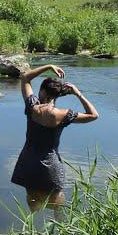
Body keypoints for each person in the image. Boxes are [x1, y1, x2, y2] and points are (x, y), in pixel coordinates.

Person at [11, 64, 99, 213]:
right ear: (57, 95)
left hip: (28, 161)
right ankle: (59, 226)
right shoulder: (64, 114)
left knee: (32, 196)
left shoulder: (32, 106)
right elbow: (93, 115)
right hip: (50, 164)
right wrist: (78, 93)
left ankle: (31, 228)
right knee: (56, 199)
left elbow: (25, 77)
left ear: (43, 91)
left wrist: (49, 66)